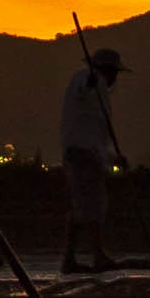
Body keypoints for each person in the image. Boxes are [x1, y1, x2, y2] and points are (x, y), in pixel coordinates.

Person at [59, 46, 127, 273]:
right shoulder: (88, 79)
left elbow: (96, 132)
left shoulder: (99, 91)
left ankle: (70, 258)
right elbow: (82, 90)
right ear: (107, 70)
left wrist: (113, 157)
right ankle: (98, 255)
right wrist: (89, 83)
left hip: (85, 152)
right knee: (94, 205)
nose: (115, 78)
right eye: (114, 72)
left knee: (81, 207)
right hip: (82, 153)